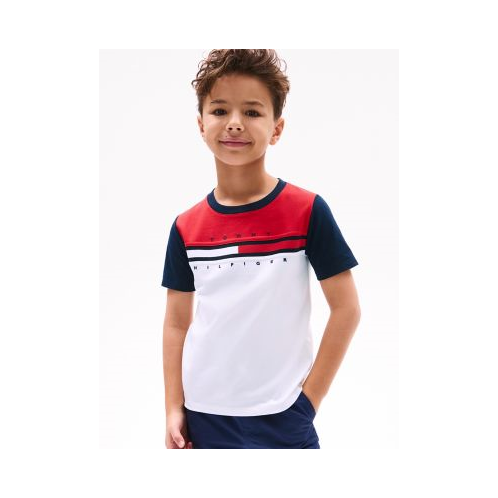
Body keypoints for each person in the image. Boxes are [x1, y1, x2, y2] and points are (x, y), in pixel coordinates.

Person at [162, 49, 361, 449]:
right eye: (220, 110)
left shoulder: (307, 211)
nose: (235, 123)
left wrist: (308, 402)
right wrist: (173, 407)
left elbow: (347, 309)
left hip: (284, 415)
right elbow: (177, 324)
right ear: (201, 124)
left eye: (252, 112)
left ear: (277, 128)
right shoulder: (186, 226)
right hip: (204, 415)